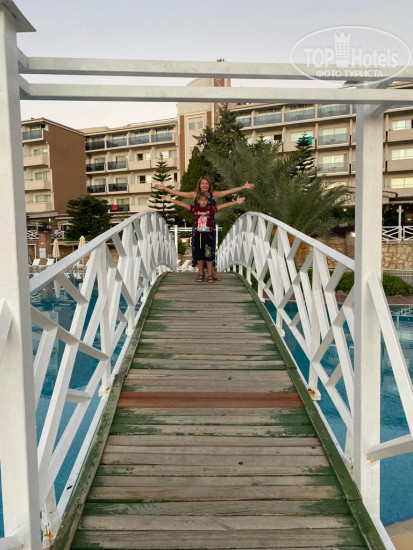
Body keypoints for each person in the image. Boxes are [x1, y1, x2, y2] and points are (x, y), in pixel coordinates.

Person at [154, 176, 254, 279]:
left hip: (210, 228)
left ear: (209, 185)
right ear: (199, 185)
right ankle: (201, 274)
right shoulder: (194, 195)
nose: (205, 185)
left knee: (209, 251)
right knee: (198, 252)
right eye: (203, 183)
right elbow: (179, 194)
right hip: (197, 229)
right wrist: (164, 188)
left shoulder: (214, 195)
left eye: (207, 183)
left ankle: (211, 274)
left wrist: (243, 187)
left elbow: (228, 192)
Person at [164, 191, 245, 283]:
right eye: (201, 200)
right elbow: (183, 205)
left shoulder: (211, 209)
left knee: (209, 256)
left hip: (208, 237)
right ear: (198, 201)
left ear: (208, 201)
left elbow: (223, 206)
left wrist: (236, 202)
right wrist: (171, 200)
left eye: (205, 200)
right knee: (199, 257)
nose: (203, 202)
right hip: (198, 236)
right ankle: (201, 274)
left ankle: (210, 275)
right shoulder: (195, 209)